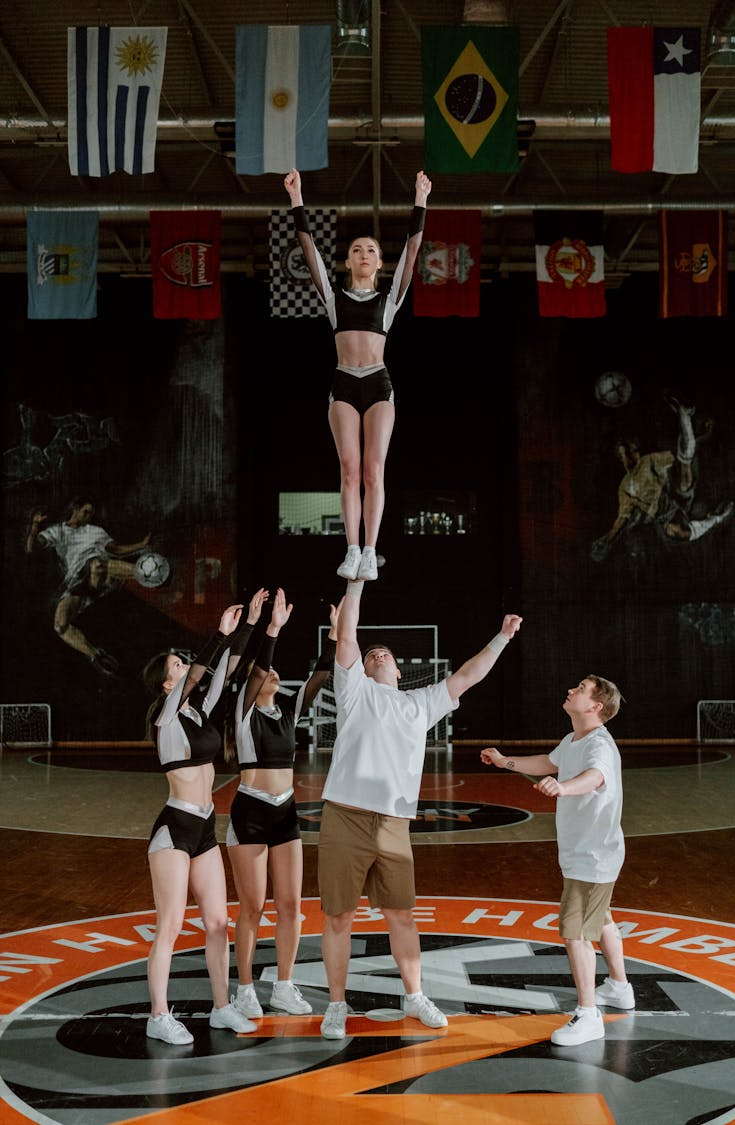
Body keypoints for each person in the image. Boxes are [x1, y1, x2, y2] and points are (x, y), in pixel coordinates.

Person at [317, 577, 522, 1039]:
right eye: (371, 653)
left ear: (399, 670)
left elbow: (469, 674)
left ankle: (414, 996)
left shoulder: (420, 704)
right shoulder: (354, 693)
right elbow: (348, 635)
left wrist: (503, 637)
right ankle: (335, 1004)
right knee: (338, 917)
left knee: (402, 915)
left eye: (384, 654)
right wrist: (357, 581)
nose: (376, 654)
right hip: (345, 816)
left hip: (393, 824)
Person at [283, 167, 432, 582]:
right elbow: (307, 248)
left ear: (379, 262)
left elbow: (414, 248)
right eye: (357, 250)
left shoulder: (389, 301)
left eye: (371, 250)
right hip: (344, 383)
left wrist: (420, 200)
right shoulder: (333, 299)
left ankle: (371, 550)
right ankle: (351, 548)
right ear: (348, 261)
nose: (364, 254)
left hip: (379, 385)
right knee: (349, 469)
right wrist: (296, 199)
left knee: (373, 471)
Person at [481, 674, 633, 1046]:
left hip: (593, 856)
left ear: (596, 706)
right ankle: (618, 987)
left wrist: (564, 787)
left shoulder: (599, 745)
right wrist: (506, 762)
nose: (570, 690)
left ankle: (587, 1014)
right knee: (604, 919)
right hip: (592, 852)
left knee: (576, 932)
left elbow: (595, 777)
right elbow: (547, 762)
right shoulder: (573, 740)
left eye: (580, 689)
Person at [141, 600, 264, 1045]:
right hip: (174, 829)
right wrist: (217, 633)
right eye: (177, 664)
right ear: (165, 682)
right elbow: (200, 672)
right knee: (170, 925)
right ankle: (158, 1015)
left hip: (205, 829)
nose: (185, 666)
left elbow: (225, 673)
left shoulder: (194, 710)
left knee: (217, 923)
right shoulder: (167, 714)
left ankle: (221, 1008)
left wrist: (246, 626)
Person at [224, 588, 340, 1020]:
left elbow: (321, 674)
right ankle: (245, 988)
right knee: (252, 907)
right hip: (251, 811)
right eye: (267, 671)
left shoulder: (288, 711)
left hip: (285, 811)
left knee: (291, 906)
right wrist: (272, 629)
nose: (273, 674)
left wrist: (334, 634)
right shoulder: (242, 711)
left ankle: (285, 985)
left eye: (275, 671)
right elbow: (254, 673)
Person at [591, 392, 733, 562]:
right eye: (625, 453)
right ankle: (716, 517)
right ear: (620, 457)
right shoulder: (625, 487)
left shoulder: (648, 461)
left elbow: (680, 455)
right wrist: (608, 540)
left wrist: (693, 434)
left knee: (685, 476)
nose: (631, 456)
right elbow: (622, 519)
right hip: (666, 515)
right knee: (676, 531)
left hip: (676, 496)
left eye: (633, 451)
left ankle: (684, 414)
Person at [25, 497, 158, 676]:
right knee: (60, 625)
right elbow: (31, 548)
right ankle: (95, 655)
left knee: (97, 564)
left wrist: (141, 545)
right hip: (78, 582)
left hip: (102, 572)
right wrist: (34, 526)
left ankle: (150, 573)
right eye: (85, 512)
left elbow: (115, 549)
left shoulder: (95, 531)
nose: (88, 517)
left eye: (91, 514)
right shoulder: (59, 531)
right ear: (75, 509)